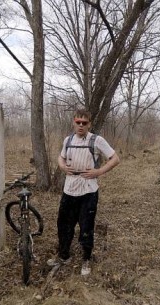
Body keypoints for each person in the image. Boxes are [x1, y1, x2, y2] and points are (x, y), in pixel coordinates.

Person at [50, 109, 120, 275]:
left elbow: (115, 159)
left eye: (84, 123)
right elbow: (61, 157)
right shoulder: (68, 140)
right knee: (63, 224)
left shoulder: (96, 140)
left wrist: (98, 172)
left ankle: (86, 260)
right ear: (74, 122)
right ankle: (63, 255)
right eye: (78, 122)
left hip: (88, 191)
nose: (81, 125)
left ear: (90, 124)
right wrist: (61, 165)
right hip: (69, 189)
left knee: (86, 227)